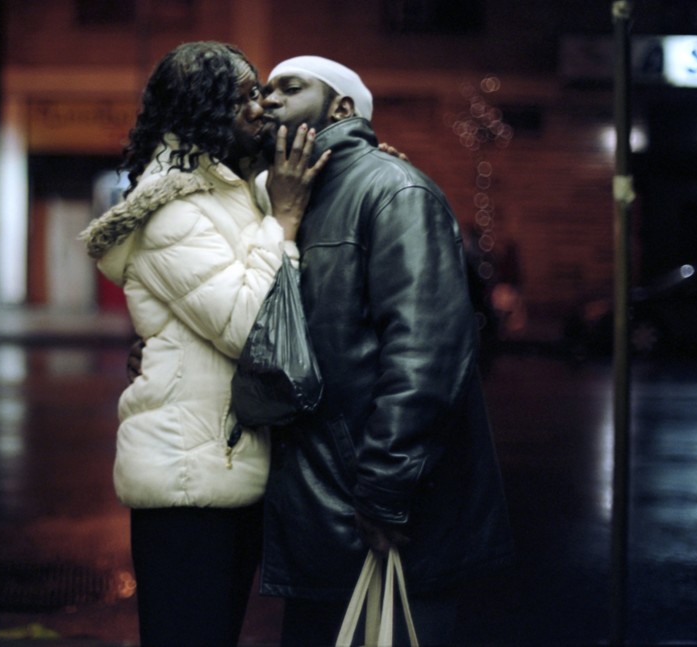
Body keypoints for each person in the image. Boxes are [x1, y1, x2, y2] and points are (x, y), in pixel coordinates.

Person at [254, 56, 514, 646]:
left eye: (290, 87)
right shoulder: (289, 196)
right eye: (265, 89)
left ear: (341, 108)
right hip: (322, 505)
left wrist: (386, 490)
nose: (269, 99)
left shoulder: (394, 191)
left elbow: (426, 356)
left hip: (379, 504)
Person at [77, 42, 328, 646]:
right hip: (186, 485)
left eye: (259, 93)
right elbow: (249, 326)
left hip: (222, 469)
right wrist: (283, 223)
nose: (259, 108)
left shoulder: (228, 190)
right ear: (202, 111)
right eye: (242, 98)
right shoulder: (174, 210)